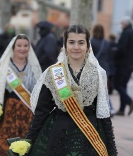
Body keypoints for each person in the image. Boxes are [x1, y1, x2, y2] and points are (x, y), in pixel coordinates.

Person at [25, 24, 118, 156]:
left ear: (87, 46)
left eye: (81, 42)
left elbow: (103, 114)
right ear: (65, 45)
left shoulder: (98, 73)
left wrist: (112, 150)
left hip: (89, 137)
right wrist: (29, 140)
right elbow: (42, 111)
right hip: (58, 135)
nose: (76, 47)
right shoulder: (53, 73)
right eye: (71, 42)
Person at [0, 34, 42, 156]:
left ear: (29, 48)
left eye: (25, 46)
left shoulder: (33, 68)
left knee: (25, 145)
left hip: (28, 113)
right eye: (19, 45)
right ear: (13, 48)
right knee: (6, 146)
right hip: (9, 112)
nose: (22, 49)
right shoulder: (4, 67)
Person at [114, 16, 133, 116]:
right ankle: (122, 109)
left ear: (125, 24)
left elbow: (122, 49)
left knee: (117, 84)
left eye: (122, 24)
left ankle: (130, 102)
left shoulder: (126, 33)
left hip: (123, 64)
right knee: (123, 85)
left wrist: (114, 56)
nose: (121, 26)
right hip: (131, 63)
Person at [91, 24, 116, 116]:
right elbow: (110, 58)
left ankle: (109, 108)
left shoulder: (91, 42)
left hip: (95, 69)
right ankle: (110, 108)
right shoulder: (107, 43)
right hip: (105, 69)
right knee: (104, 90)